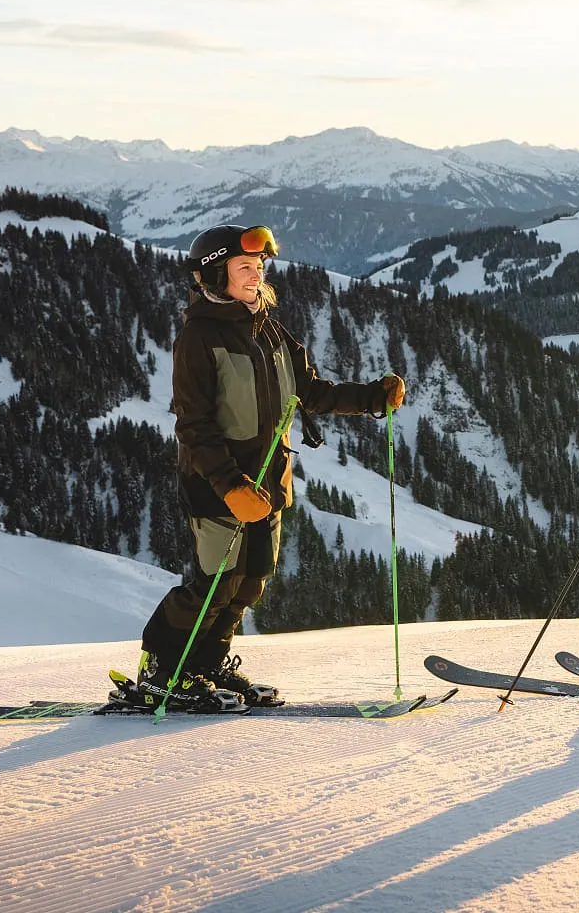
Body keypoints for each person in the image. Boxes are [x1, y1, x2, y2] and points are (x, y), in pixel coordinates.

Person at [126, 224, 405, 711]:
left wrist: (371, 398)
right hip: (219, 486)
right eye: (244, 267)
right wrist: (229, 485)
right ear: (215, 274)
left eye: (259, 267)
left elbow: (312, 392)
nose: (256, 275)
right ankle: (162, 671)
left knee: (250, 581)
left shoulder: (270, 329)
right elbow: (194, 426)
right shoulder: (199, 338)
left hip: (269, 482)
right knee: (212, 584)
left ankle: (206, 664)